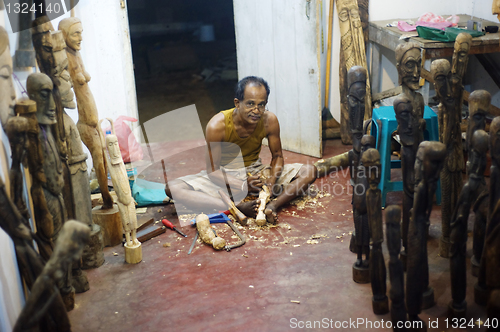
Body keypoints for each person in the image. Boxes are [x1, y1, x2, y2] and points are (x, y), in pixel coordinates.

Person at [165, 76, 317, 224]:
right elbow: (213, 171)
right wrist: (242, 185)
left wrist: (270, 182)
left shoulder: (269, 120)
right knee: (173, 188)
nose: (256, 111)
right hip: (225, 177)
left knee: (310, 171)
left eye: (261, 105)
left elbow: (277, 156)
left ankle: (272, 206)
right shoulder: (217, 125)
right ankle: (237, 206)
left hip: (256, 173)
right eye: (250, 104)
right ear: (237, 103)